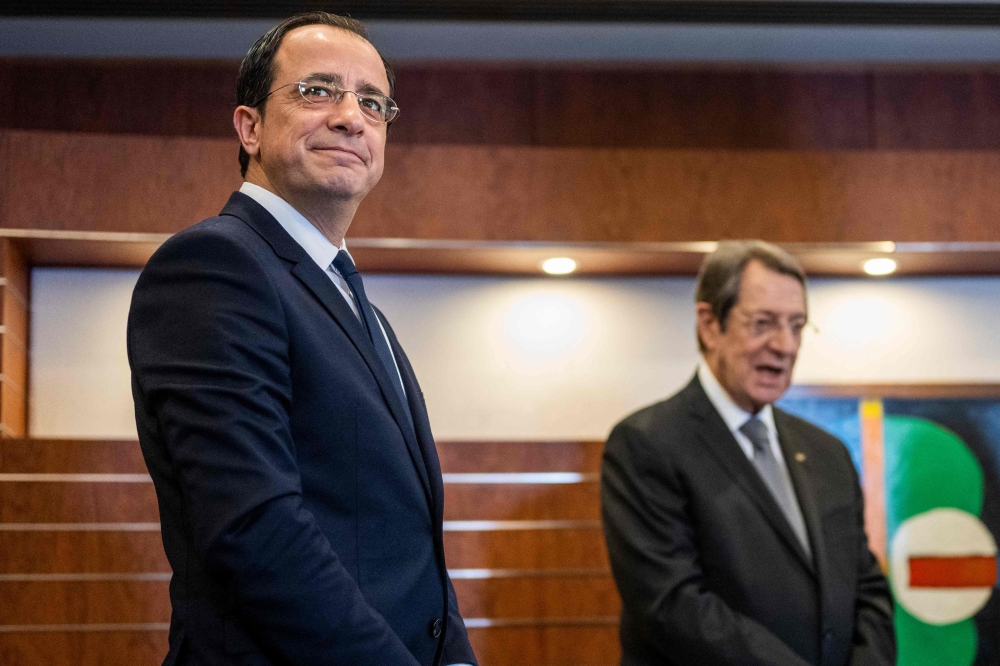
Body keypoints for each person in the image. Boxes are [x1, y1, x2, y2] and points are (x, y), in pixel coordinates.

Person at [127, 12, 477, 666]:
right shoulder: (213, 266)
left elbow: (413, 549)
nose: (352, 117)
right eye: (318, 91)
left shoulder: (355, 301)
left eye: (373, 102)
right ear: (249, 126)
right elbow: (255, 532)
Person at [601, 241, 895, 666]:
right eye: (763, 323)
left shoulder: (827, 451)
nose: (786, 345)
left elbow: (865, 588)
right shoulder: (646, 444)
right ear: (709, 324)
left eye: (797, 325)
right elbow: (673, 606)